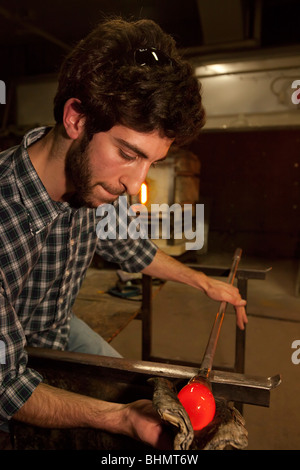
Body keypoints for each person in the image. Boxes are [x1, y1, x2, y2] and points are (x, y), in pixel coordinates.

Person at [0, 18, 247, 449]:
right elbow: (7, 386)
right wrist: (123, 418)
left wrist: (202, 281)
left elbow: (129, 248)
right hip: (13, 362)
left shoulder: (95, 182)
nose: (136, 185)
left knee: (146, 393)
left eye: (150, 162)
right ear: (76, 117)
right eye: (128, 154)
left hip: (58, 329)